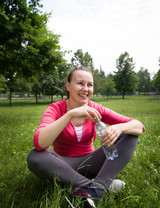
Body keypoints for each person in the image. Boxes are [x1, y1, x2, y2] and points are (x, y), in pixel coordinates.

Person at [27, 66, 145, 207]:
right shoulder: (55, 109)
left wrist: (120, 127)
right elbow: (40, 143)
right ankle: (98, 188)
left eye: (90, 85)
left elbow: (139, 126)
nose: (86, 89)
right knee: (35, 156)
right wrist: (70, 114)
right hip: (63, 165)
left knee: (130, 134)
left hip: (91, 162)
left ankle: (95, 189)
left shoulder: (96, 109)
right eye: (80, 83)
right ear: (68, 86)